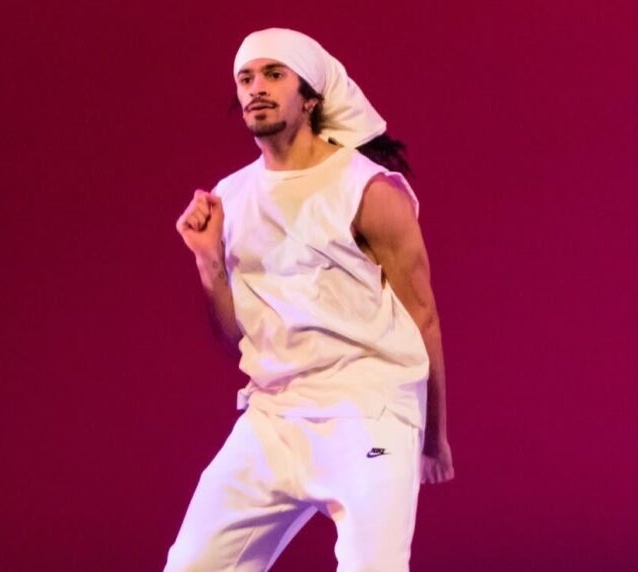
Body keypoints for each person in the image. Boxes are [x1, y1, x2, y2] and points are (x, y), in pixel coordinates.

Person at [165, 28, 454, 571]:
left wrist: (433, 437)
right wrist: (208, 263)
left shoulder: (368, 190)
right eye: (246, 78)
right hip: (274, 415)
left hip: (368, 409)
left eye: (274, 75)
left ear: (311, 97)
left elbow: (424, 318)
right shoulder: (229, 197)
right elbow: (235, 340)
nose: (256, 88)